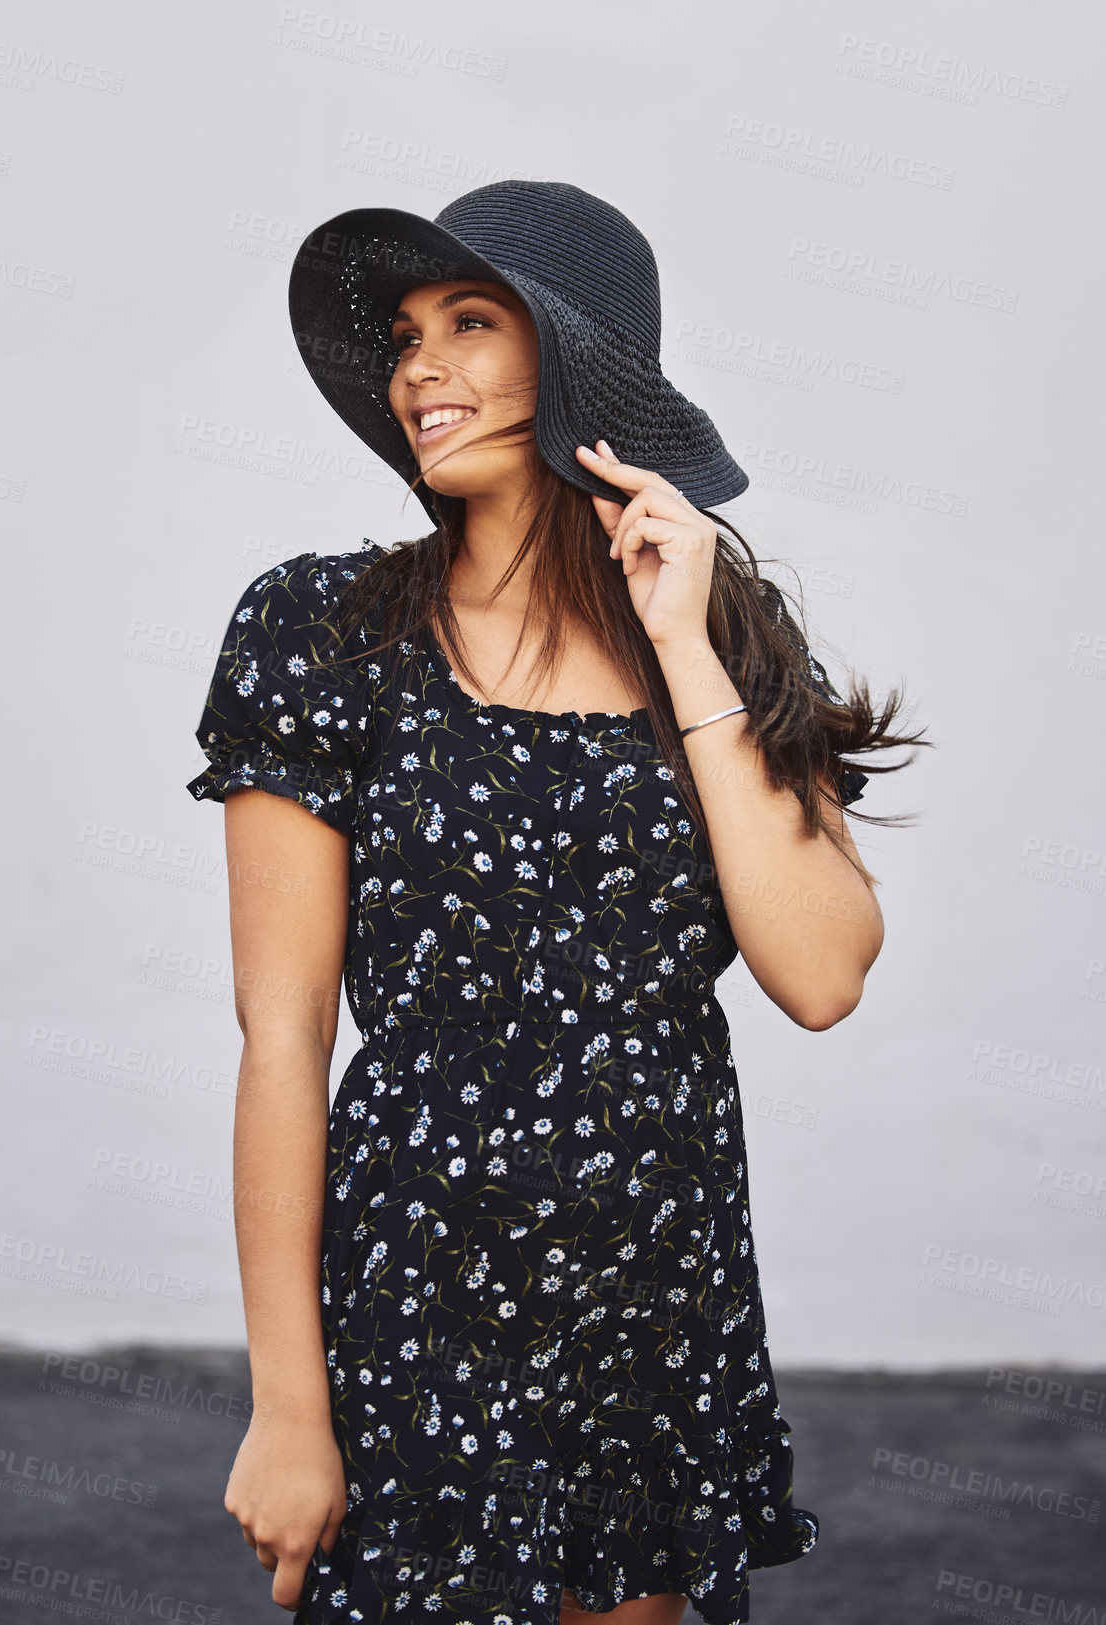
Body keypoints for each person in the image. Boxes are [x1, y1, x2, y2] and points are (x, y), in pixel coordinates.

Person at [186, 182, 926, 1625]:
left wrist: (688, 654)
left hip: (653, 1298)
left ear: (578, 367)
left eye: (470, 321)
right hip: (422, 1295)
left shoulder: (713, 642)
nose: (417, 368)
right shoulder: (320, 632)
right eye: (404, 336)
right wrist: (288, 1403)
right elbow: (280, 1039)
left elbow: (822, 973)